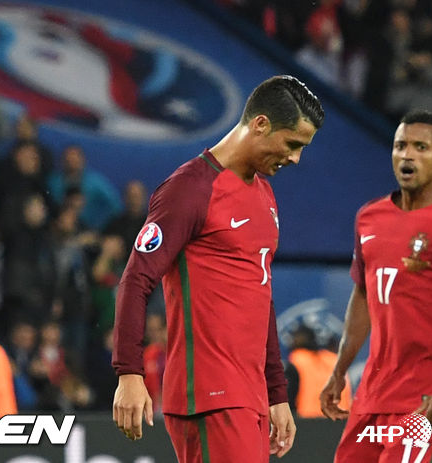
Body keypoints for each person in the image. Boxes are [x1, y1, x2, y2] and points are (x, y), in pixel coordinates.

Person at [112, 75, 324, 462]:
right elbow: (136, 279)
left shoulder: (264, 194)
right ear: (260, 124)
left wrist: (276, 393)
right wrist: (129, 372)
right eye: (292, 144)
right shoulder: (190, 189)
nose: (295, 158)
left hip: (250, 397)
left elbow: (261, 296)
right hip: (210, 396)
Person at [320, 110, 432, 463]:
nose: (408, 155)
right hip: (372, 397)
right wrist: (340, 370)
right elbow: (363, 295)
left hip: (426, 400)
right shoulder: (369, 217)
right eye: (401, 145)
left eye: (421, 147)